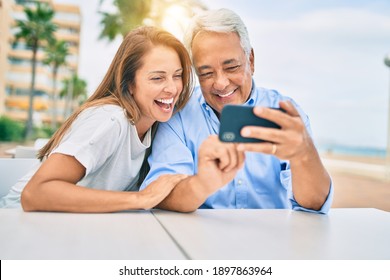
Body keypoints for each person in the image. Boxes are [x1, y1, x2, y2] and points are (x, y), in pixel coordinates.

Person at [140, 8, 333, 214]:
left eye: (231, 68)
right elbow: (160, 195)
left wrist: (304, 155)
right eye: (206, 73)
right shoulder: (178, 116)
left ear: (250, 60)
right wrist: (203, 183)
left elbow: (313, 205)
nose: (221, 84)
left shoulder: (285, 113)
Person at [0, 26, 193, 212]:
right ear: (129, 84)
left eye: (177, 75)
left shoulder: (156, 126)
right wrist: (141, 198)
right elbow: (35, 193)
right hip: (16, 222)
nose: (173, 88)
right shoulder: (110, 119)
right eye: (157, 78)